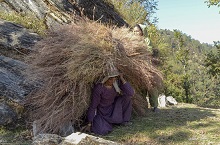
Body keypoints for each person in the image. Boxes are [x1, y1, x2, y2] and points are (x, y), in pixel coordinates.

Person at [86, 68, 134, 135]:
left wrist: (122, 78)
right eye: (110, 79)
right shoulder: (99, 88)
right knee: (102, 131)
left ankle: (124, 121)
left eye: (114, 78)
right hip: (102, 113)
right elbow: (93, 106)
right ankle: (108, 123)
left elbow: (130, 93)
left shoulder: (115, 85)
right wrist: (89, 123)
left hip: (113, 109)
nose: (113, 81)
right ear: (105, 79)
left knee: (127, 98)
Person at [133, 24, 159, 112]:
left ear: (142, 31)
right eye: (134, 31)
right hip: (137, 65)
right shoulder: (131, 40)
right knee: (141, 86)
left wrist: (140, 49)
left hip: (147, 65)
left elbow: (149, 51)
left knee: (151, 86)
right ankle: (143, 105)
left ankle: (154, 105)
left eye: (137, 31)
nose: (135, 33)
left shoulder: (146, 40)